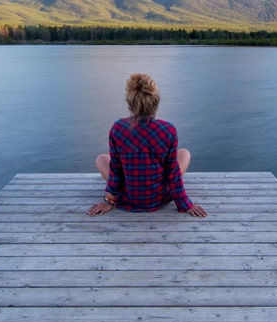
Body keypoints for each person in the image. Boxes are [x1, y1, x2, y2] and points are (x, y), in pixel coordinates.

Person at [87, 73, 207, 218]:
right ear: (155, 102)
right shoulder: (168, 130)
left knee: (101, 159)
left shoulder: (117, 128)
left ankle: (119, 194)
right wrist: (186, 204)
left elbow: (116, 170)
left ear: (130, 103)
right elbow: (173, 173)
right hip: (158, 198)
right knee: (184, 153)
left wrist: (109, 201)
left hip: (128, 197)